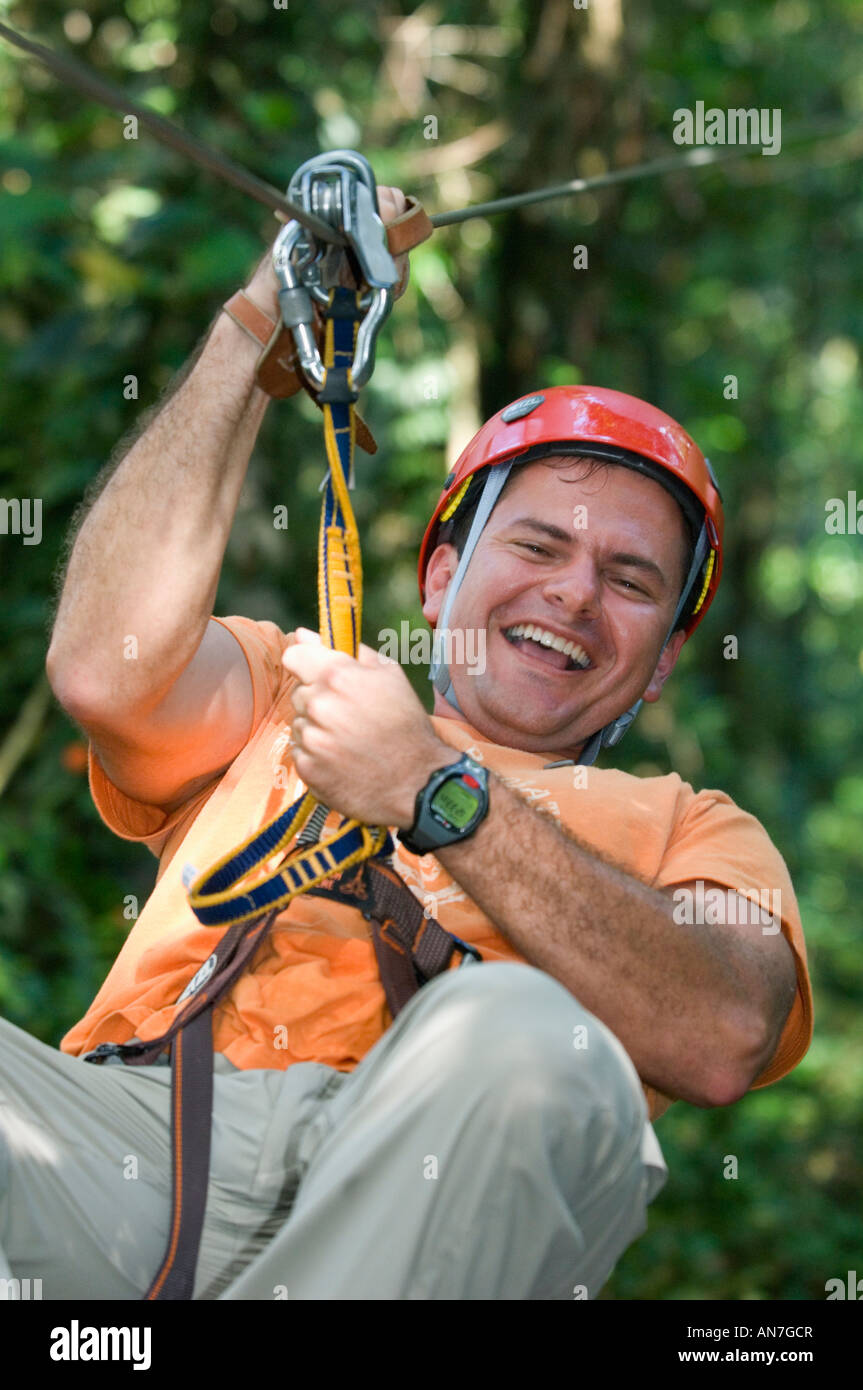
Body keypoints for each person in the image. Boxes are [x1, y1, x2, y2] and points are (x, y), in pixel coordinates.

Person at [2, 189, 812, 1302]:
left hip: (438, 1183)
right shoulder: (293, 690)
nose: (573, 594)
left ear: (662, 659)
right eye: (536, 543)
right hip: (130, 1145)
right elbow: (101, 668)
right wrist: (257, 322)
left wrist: (438, 792)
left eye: (629, 582)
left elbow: (721, 1031)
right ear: (439, 579)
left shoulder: (696, 831)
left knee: (527, 1032)